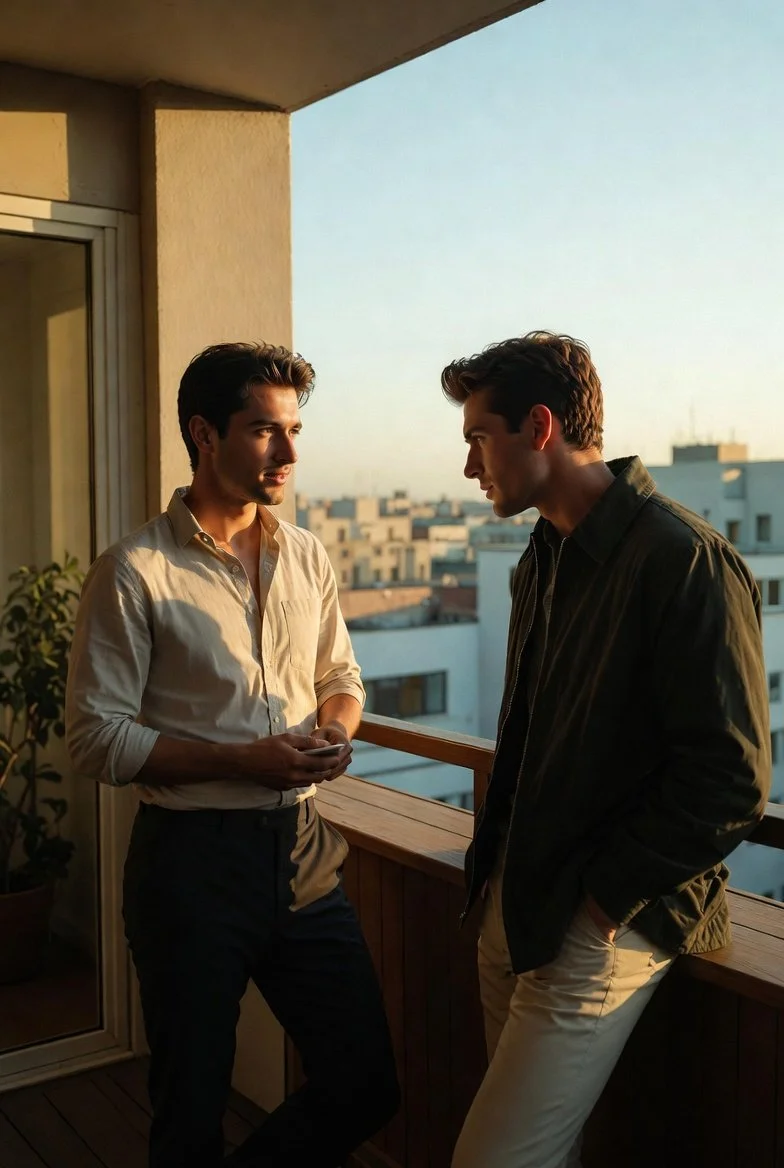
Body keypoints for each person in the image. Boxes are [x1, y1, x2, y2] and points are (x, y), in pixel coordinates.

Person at [441, 331, 770, 1168]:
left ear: (540, 426)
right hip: (517, 900)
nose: (472, 466)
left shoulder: (682, 557)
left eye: (481, 436)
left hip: (602, 921)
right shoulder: (538, 562)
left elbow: (731, 778)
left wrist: (600, 902)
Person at [66, 342, 399, 1168]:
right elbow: (96, 738)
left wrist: (336, 731)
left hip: (305, 854)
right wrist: (242, 761)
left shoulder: (308, 555)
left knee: (365, 1084)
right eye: (263, 431)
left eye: (294, 429)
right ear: (203, 433)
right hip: (190, 868)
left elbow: (341, 676)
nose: (288, 453)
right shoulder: (133, 571)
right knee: (190, 1115)